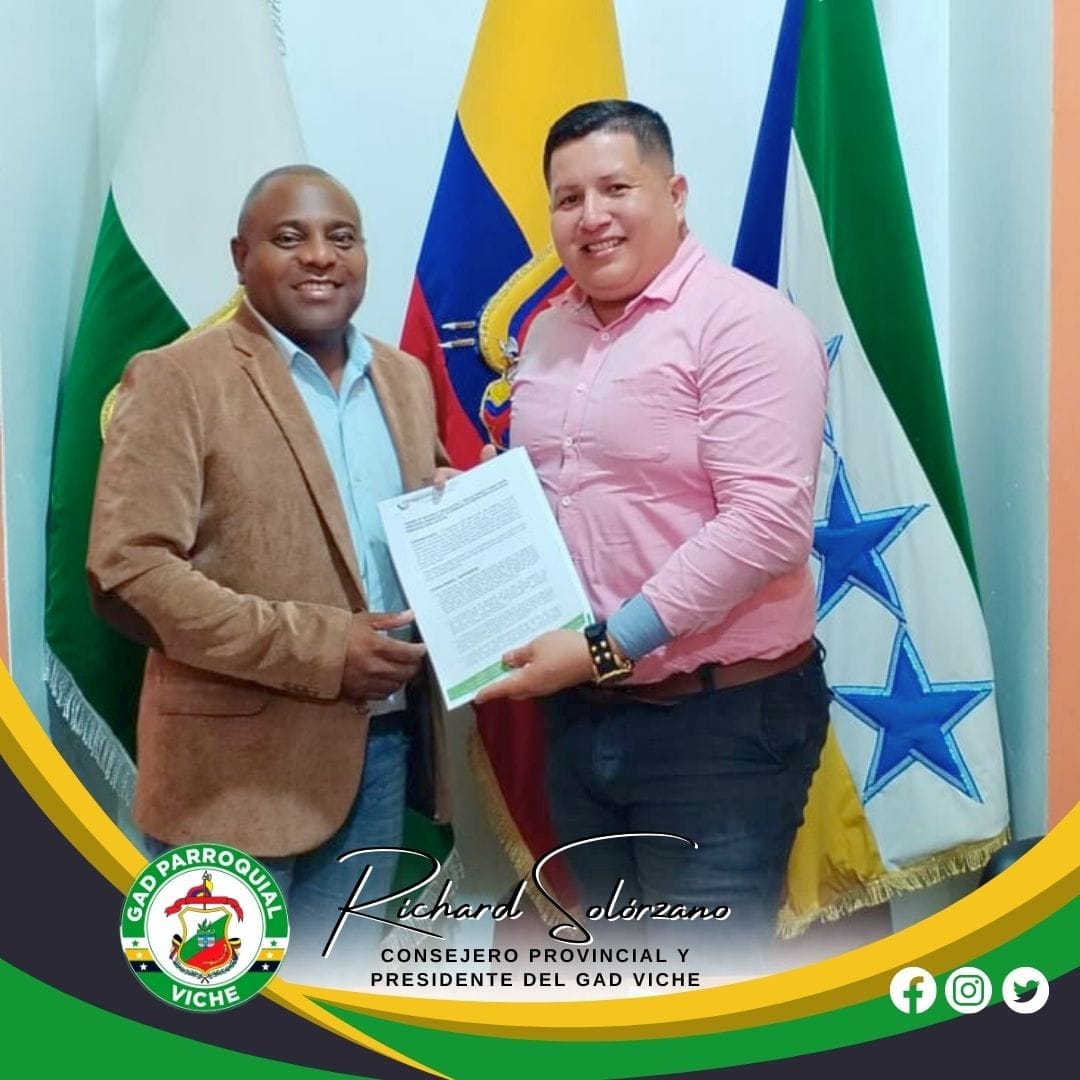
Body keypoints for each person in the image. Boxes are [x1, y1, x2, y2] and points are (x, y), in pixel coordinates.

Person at [475, 101, 830, 972]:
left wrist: (607, 645)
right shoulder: (548, 333)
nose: (590, 216)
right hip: (582, 718)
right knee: (621, 976)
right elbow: (568, 491)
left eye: (615, 188)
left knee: (700, 990)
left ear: (674, 194)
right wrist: (477, 503)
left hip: (718, 727)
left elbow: (767, 526)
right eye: (568, 199)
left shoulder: (743, 323)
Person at [87, 165, 448, 985]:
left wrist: (460, 507)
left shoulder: (405, 379)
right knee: (216, 1011)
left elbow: (402, 527)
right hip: (230, 772)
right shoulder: (178, 377)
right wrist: (322, 649)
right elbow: (127, 569)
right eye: (290, 238)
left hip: (383, 753)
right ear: (240, 257)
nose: (320, 256)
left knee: (341, 1008)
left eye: (342, 237)